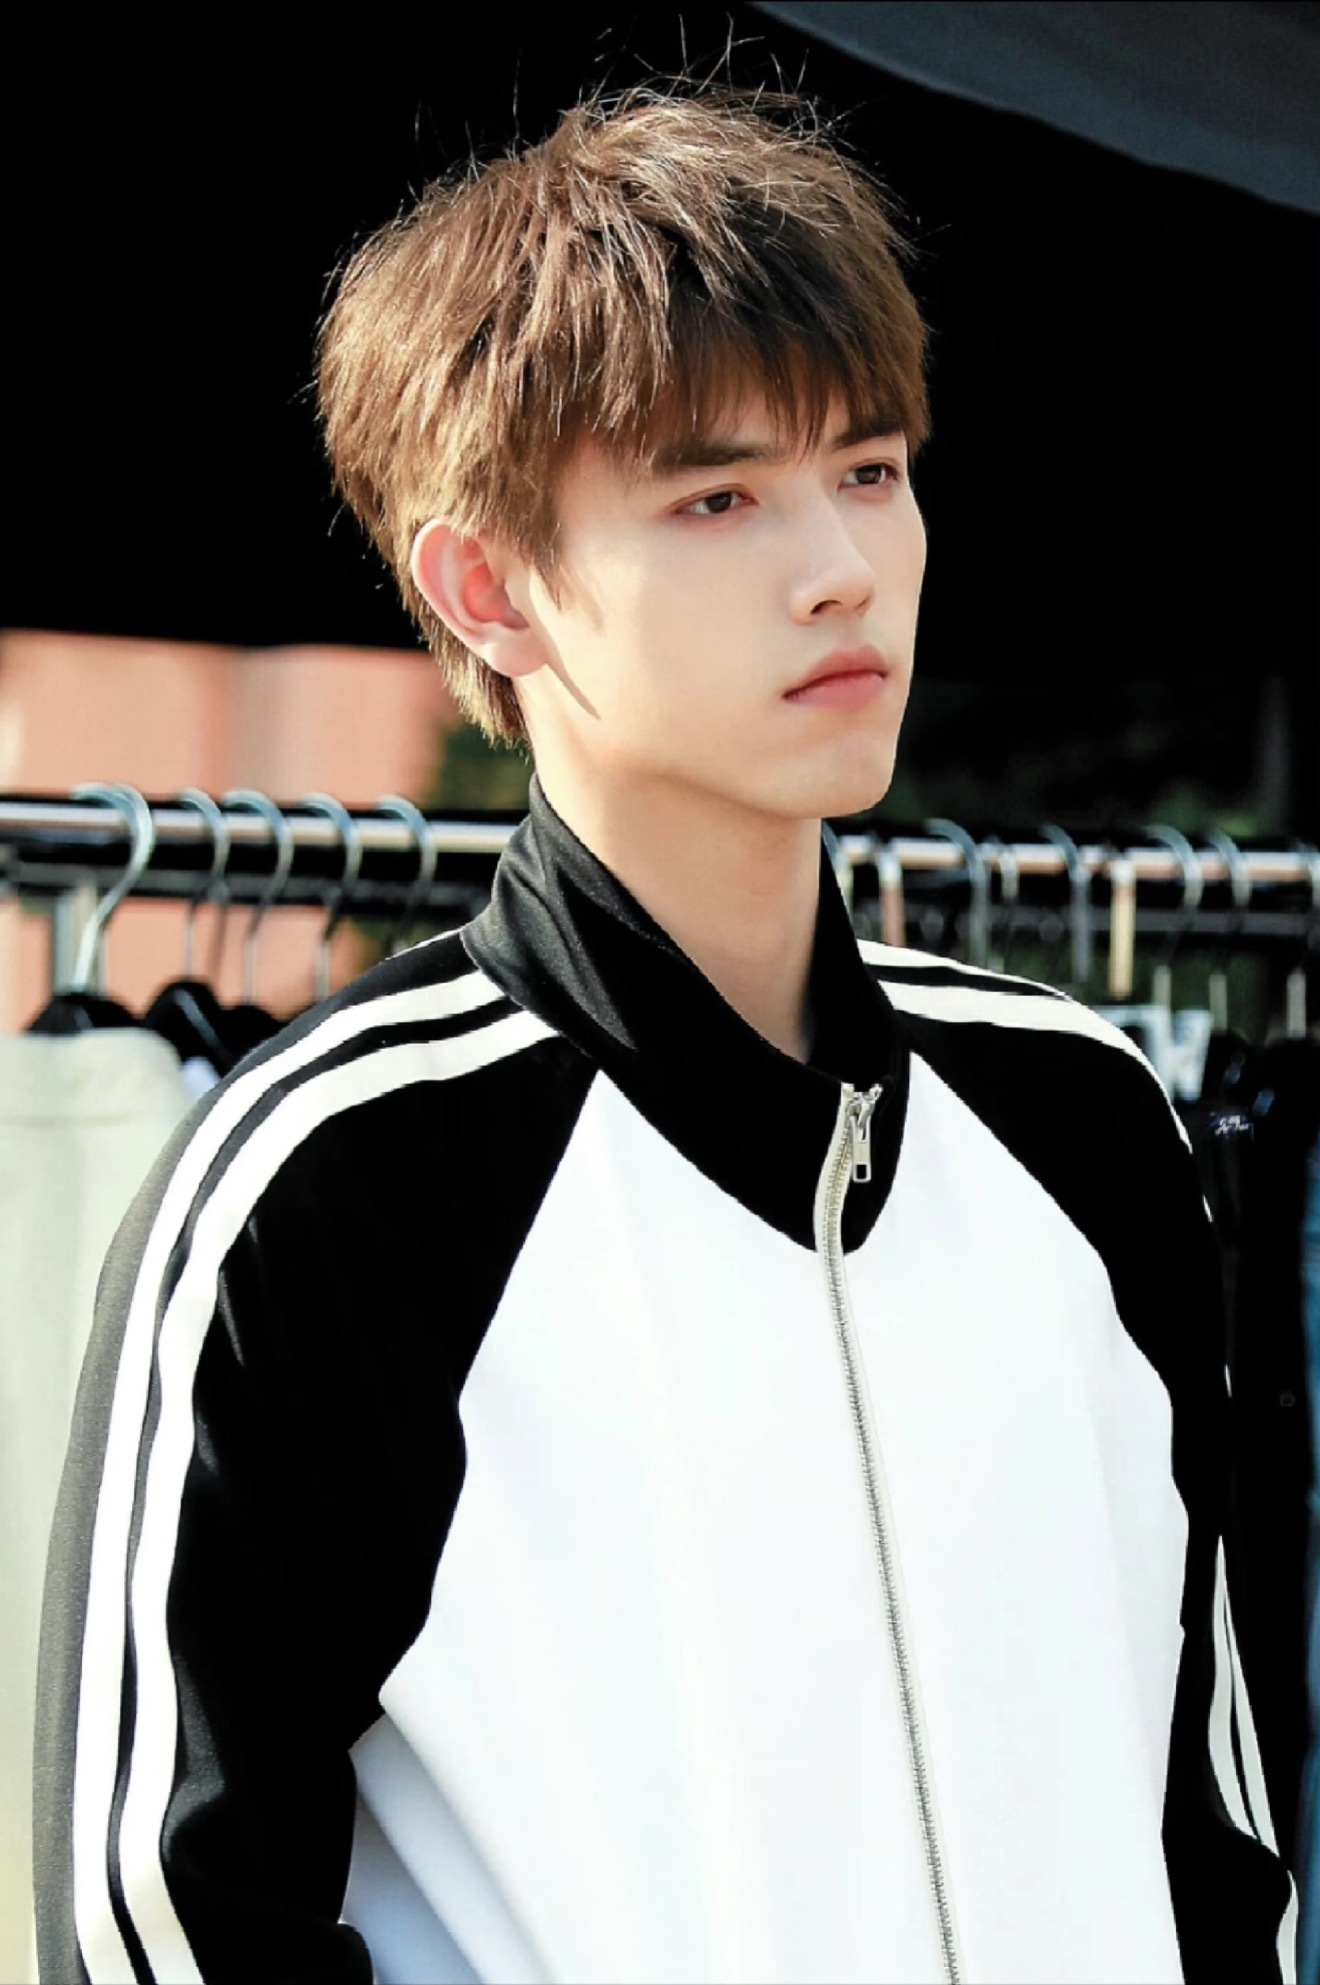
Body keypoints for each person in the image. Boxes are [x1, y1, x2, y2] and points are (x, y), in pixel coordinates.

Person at [34, 85, 1297, 1985]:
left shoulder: (1085, 1122)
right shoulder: (328, 1191)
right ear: (488, 587)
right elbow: (164, 1927)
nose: (841, 564)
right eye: (719, 498)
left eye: (870, 468)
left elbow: (1214, 1837)